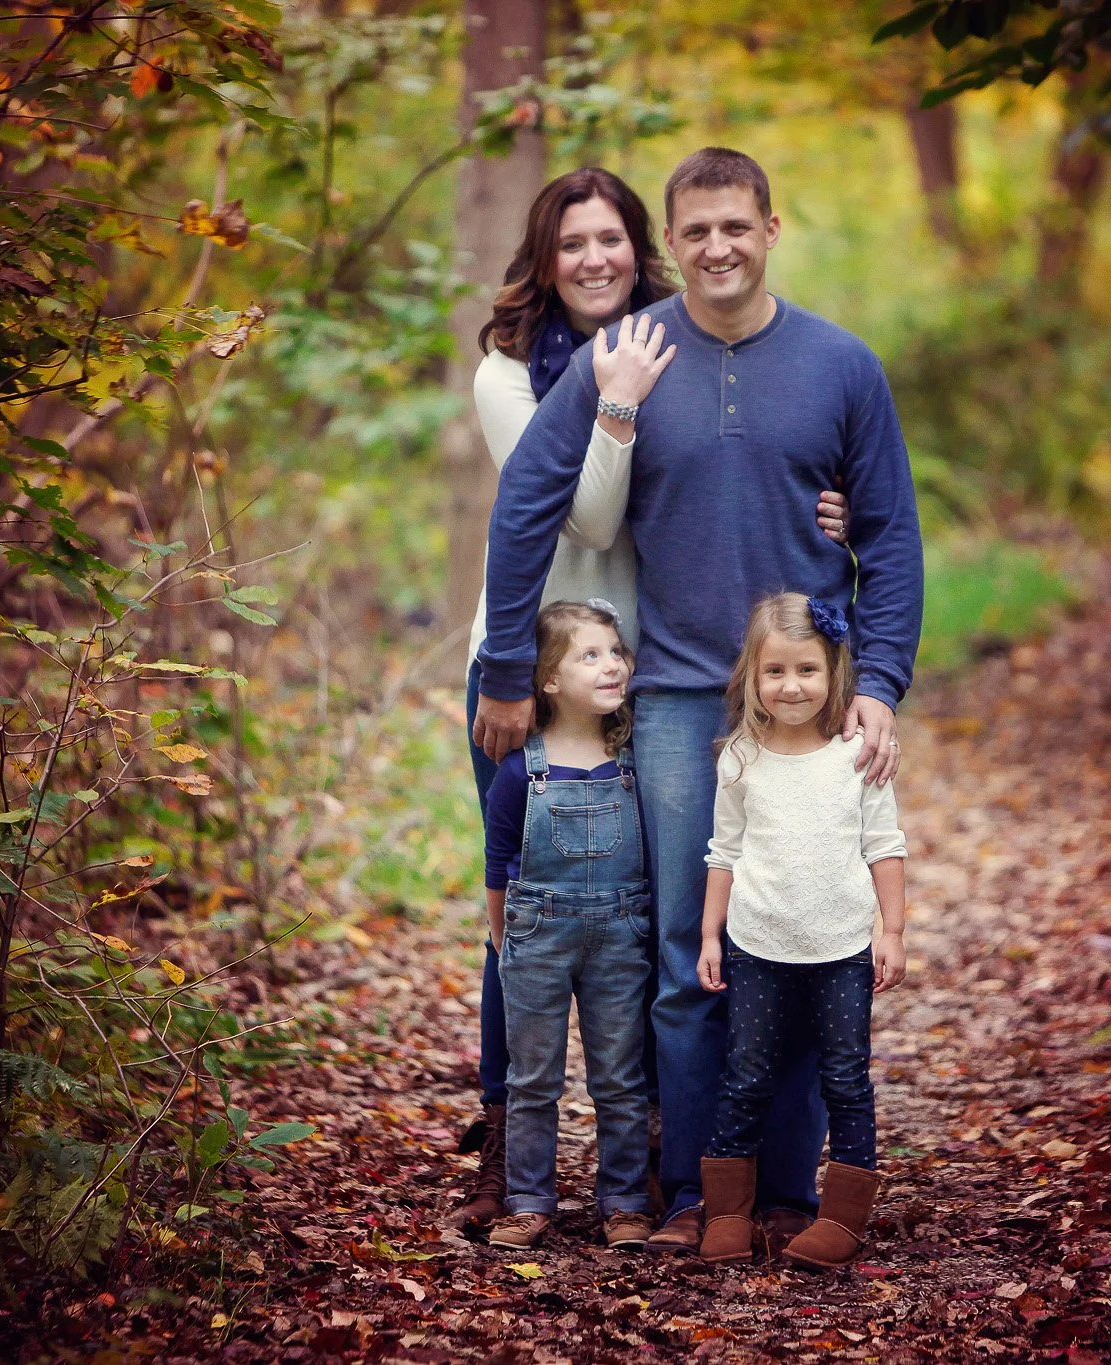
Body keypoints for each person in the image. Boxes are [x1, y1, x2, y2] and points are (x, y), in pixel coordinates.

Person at [473, 147, 923, 1256]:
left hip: (804, 704)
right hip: (675, 699)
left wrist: (878, 683)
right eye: (696, 231)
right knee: (688, 952)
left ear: (770, 226)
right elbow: (528, 502)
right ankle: (690, 1193)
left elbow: (889, 535)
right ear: (669, 245)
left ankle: (785, 1190)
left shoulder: (840, 365)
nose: (717, 247)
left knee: (805, 946)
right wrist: (500, 672)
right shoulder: (628, 357)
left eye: (737, 225)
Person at [693, 593, 907, 1269]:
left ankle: (842, 1218)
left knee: (845, 1077)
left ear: (834, 671)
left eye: (807, 670)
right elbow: (722, 853)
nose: (791, 685)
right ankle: (728, 1212)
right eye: (775, 671)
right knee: (745, 1074)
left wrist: (892, 929)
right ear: (752, 678)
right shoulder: (740, 759)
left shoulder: (856, 757)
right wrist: (708, 936)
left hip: (842, 947)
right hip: (757, 944)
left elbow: (886, 845)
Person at [480, 600, 656, 1252]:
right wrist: (505, 943)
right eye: (591, 654)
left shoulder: (634, 759)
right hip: (536, 934)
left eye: (616, 651)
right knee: (533, 1077)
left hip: (620, 931)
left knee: (619, 1073)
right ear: (548, 679)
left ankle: (625, 1199)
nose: (613, 664)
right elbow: (498, 863)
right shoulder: (519, 768)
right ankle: (528, 1199)